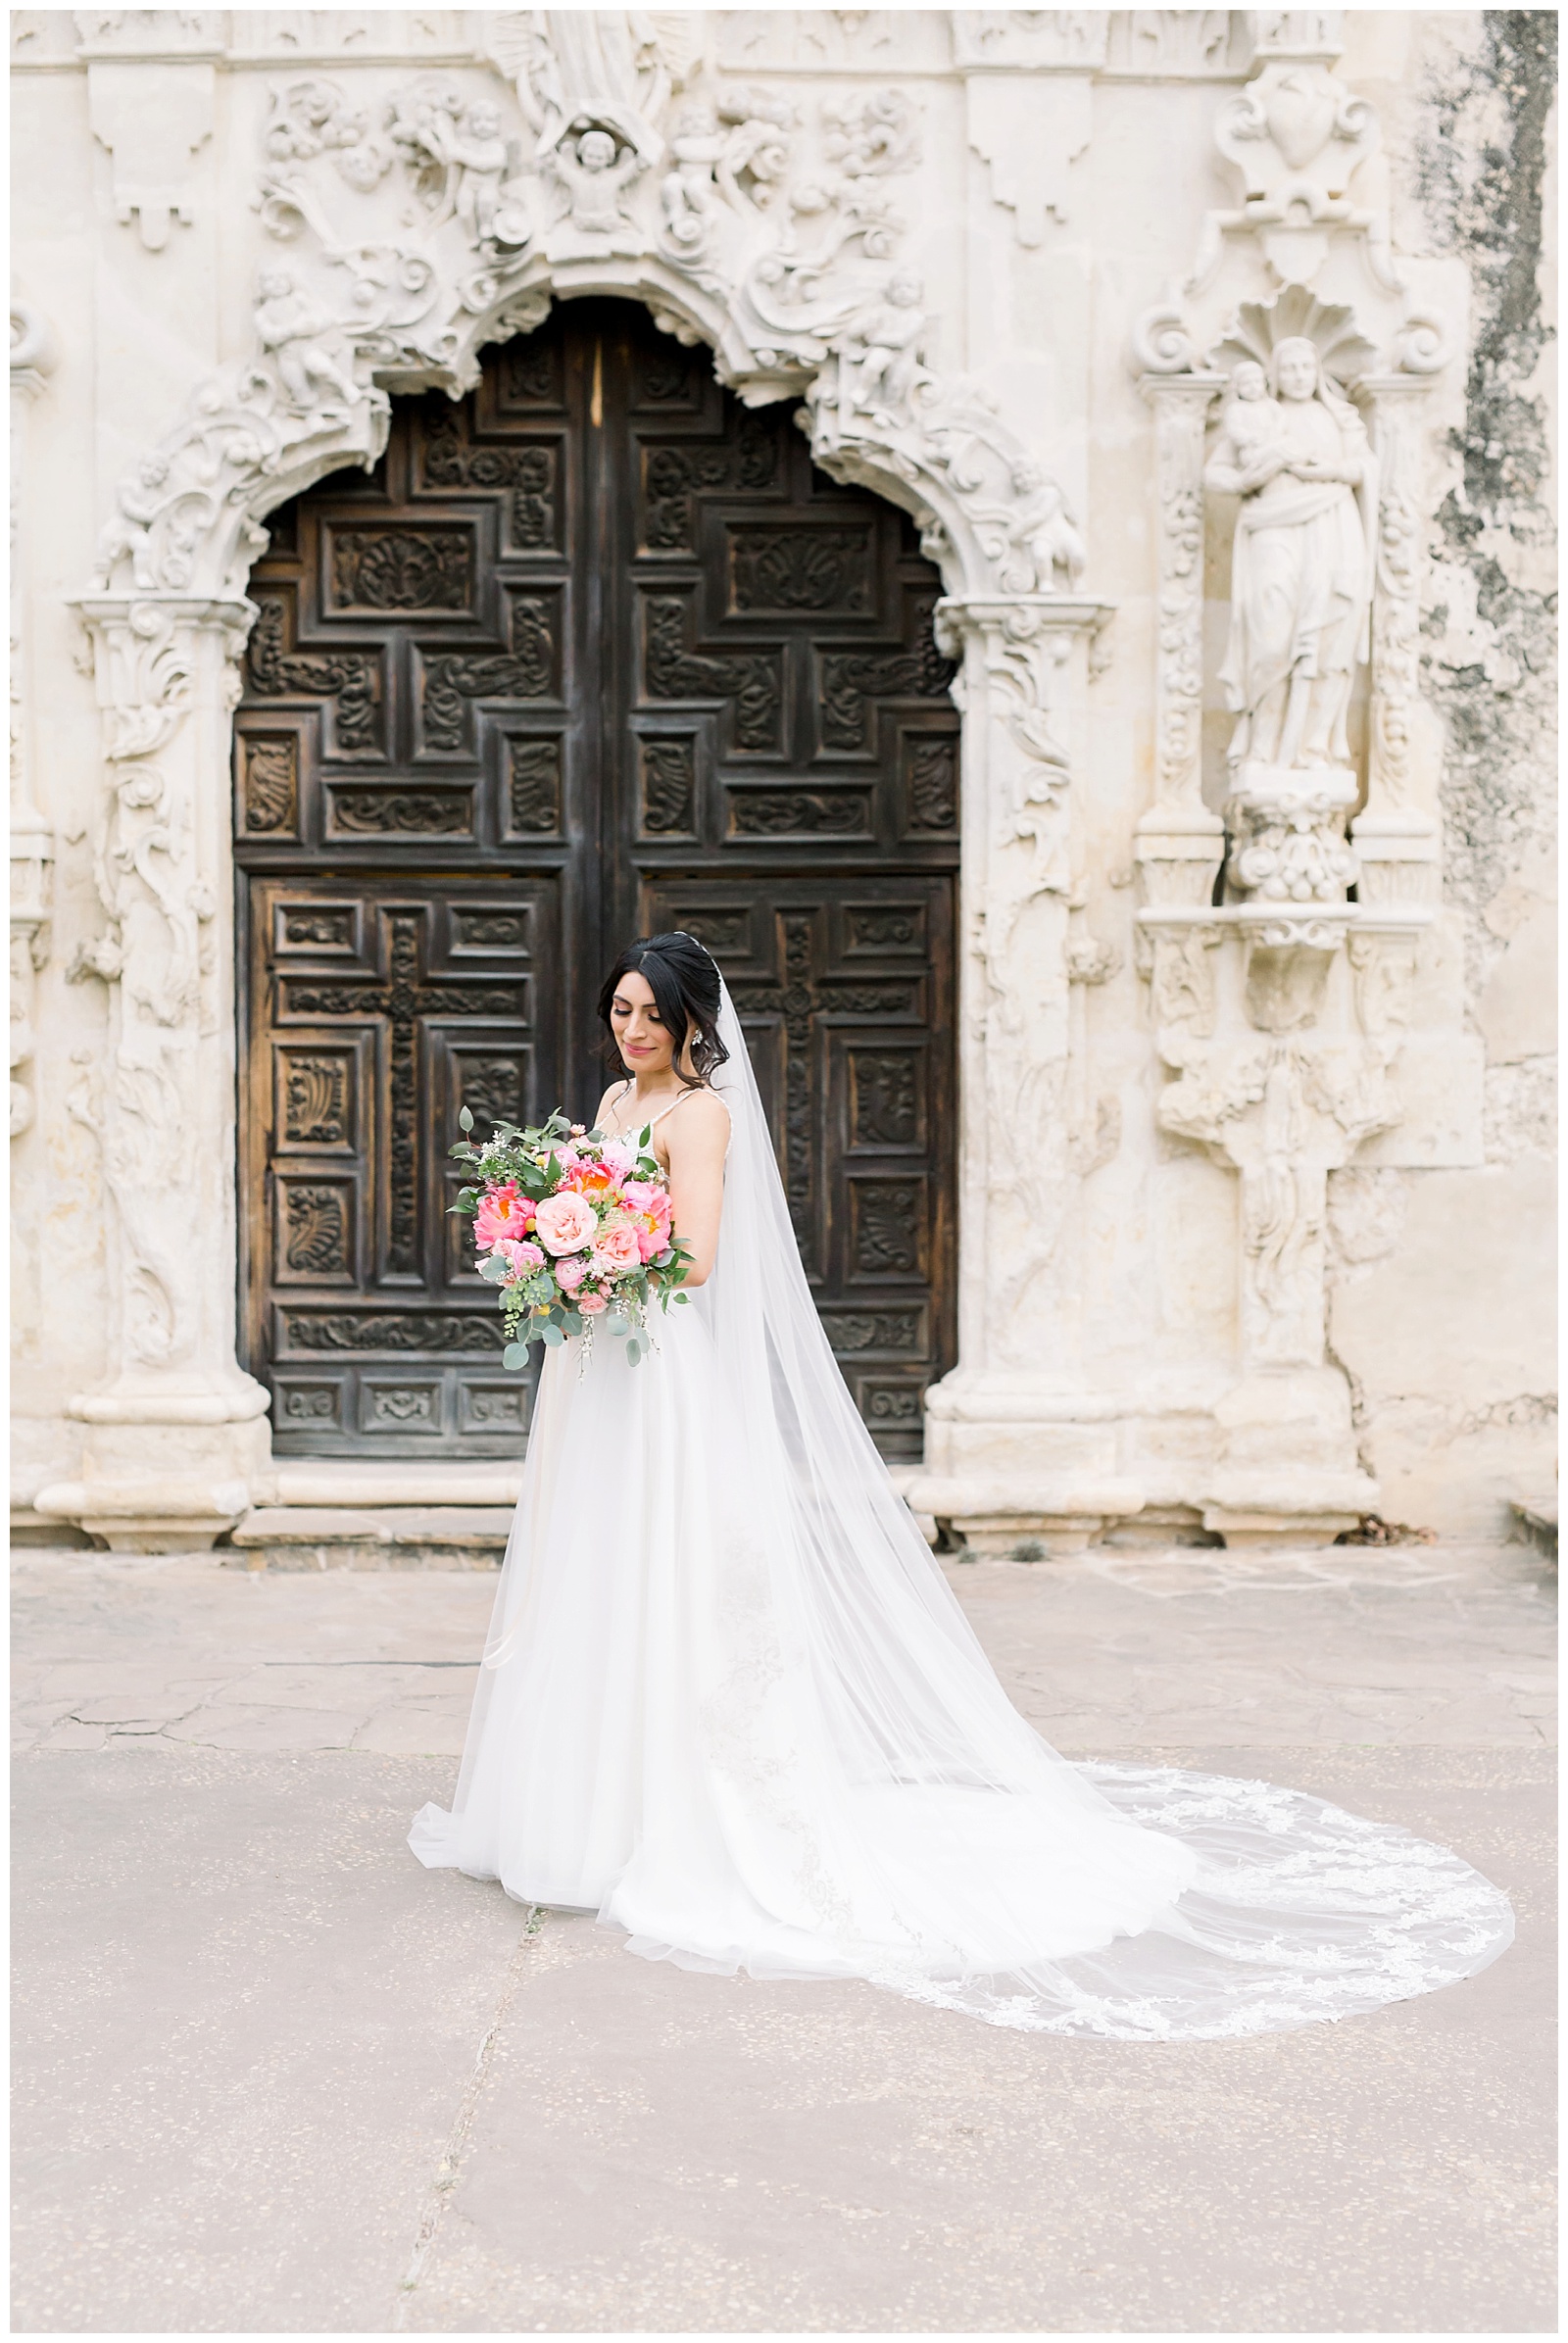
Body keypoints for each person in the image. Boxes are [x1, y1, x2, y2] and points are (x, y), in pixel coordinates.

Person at [411, 932, 1513, 2037]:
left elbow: (693, 1260)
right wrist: (549, 1248)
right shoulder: (610, 1102)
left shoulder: (701, 1114)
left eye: (651, 1013)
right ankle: (581, 1808)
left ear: (694, 1020)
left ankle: (677, 1812)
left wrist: (591, 1247)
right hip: (607, 1367)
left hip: (665, 1376)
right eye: (620, 1011)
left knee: (677, 1572)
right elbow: (616, 1211)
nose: (633, 1030)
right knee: (599, 1570)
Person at [1205, 337, 1374, 777]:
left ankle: (1312, 748)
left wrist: (1331, 471)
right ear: (1273, 376)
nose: (1298, 376)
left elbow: (1364, 467)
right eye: (1289, 368)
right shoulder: (1264, 419)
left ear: (1317, 371)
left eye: (1306, 366)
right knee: (1272, 630)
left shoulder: (1337, 417)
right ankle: (1263, 747)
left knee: (1328, 637)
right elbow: (1215, 474)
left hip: (1332, 526)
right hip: (1274, 527)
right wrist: (1252, 475)